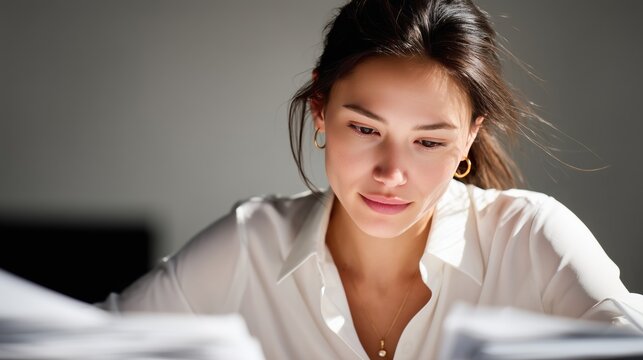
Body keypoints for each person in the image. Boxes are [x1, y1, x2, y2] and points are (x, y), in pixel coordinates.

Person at [98, 0, 643, 359]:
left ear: (470, 138)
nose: (391, 173)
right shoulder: (251, 243)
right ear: (320, 108)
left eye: (429, 141)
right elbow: (87, 344)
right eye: (364, 128)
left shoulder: (530, 238)